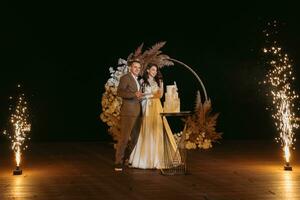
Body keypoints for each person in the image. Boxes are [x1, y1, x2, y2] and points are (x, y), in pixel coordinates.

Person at [129, 63, 178, 169]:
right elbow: (139, 96)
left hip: (157, 106)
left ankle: (158, 158)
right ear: (147, 70)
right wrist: (150, 95)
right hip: (147, 107)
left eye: (156, 70)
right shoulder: (142, 81)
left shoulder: (159, 81)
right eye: (152, 70)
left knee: (158, 129)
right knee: (147, 130)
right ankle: (145, 158)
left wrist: (151, 95)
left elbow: (160, 95)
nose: (154, 72)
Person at [115, 60, 143, 171]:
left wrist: (140, 96)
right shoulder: (125, 78)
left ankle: (129, 159)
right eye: (135, 67)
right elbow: (120, 92)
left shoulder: (137, 80)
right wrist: (134, 94)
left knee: (135, 138)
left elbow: (136, 95)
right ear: (130, 68)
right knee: (124, 138)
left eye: (139, 67)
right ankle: (118, 162)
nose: (137, 69)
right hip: (128, 112)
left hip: (137, 112)